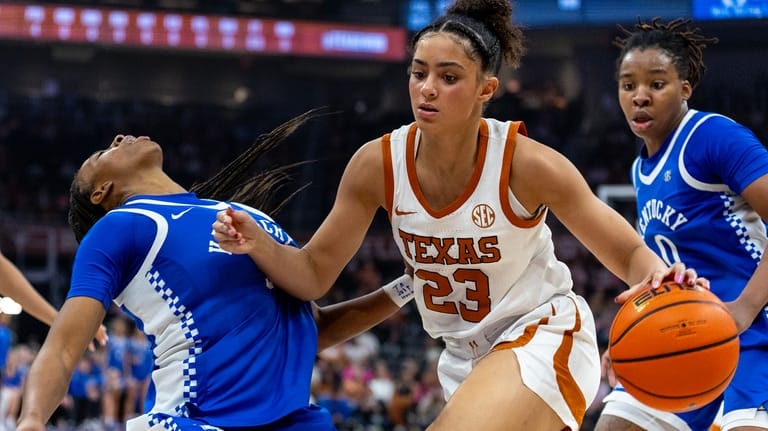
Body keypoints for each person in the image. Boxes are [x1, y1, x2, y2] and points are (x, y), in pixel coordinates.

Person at [211, 2, 705, 430]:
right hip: (463, 362)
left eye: (448, 78)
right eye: (418, 72)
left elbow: (625, 249)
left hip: (541, 334)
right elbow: (315, 273)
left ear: (485, 89)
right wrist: (259, 244)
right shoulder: (376, 165)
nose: (427, 88)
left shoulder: (525, 163)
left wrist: (660, 278)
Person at [16, 111, 416, 431]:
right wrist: (32, 419)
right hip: (195, 420)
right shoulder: (122, 226)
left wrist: (411, 285)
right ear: (101, 191)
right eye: (103, 152)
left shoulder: (246, 216)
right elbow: (64, 346)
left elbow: (311, 330)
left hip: (295, 420)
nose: (119, 138)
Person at [594, 17, 768, 431]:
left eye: (656, 84)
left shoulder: (713, 136)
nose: (640, 96)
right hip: (685, 330)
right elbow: (660, 269)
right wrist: (630, 336)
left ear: (685, 88)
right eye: (628, 85)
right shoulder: (640, 169)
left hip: (755, 327)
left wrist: (743, 310)